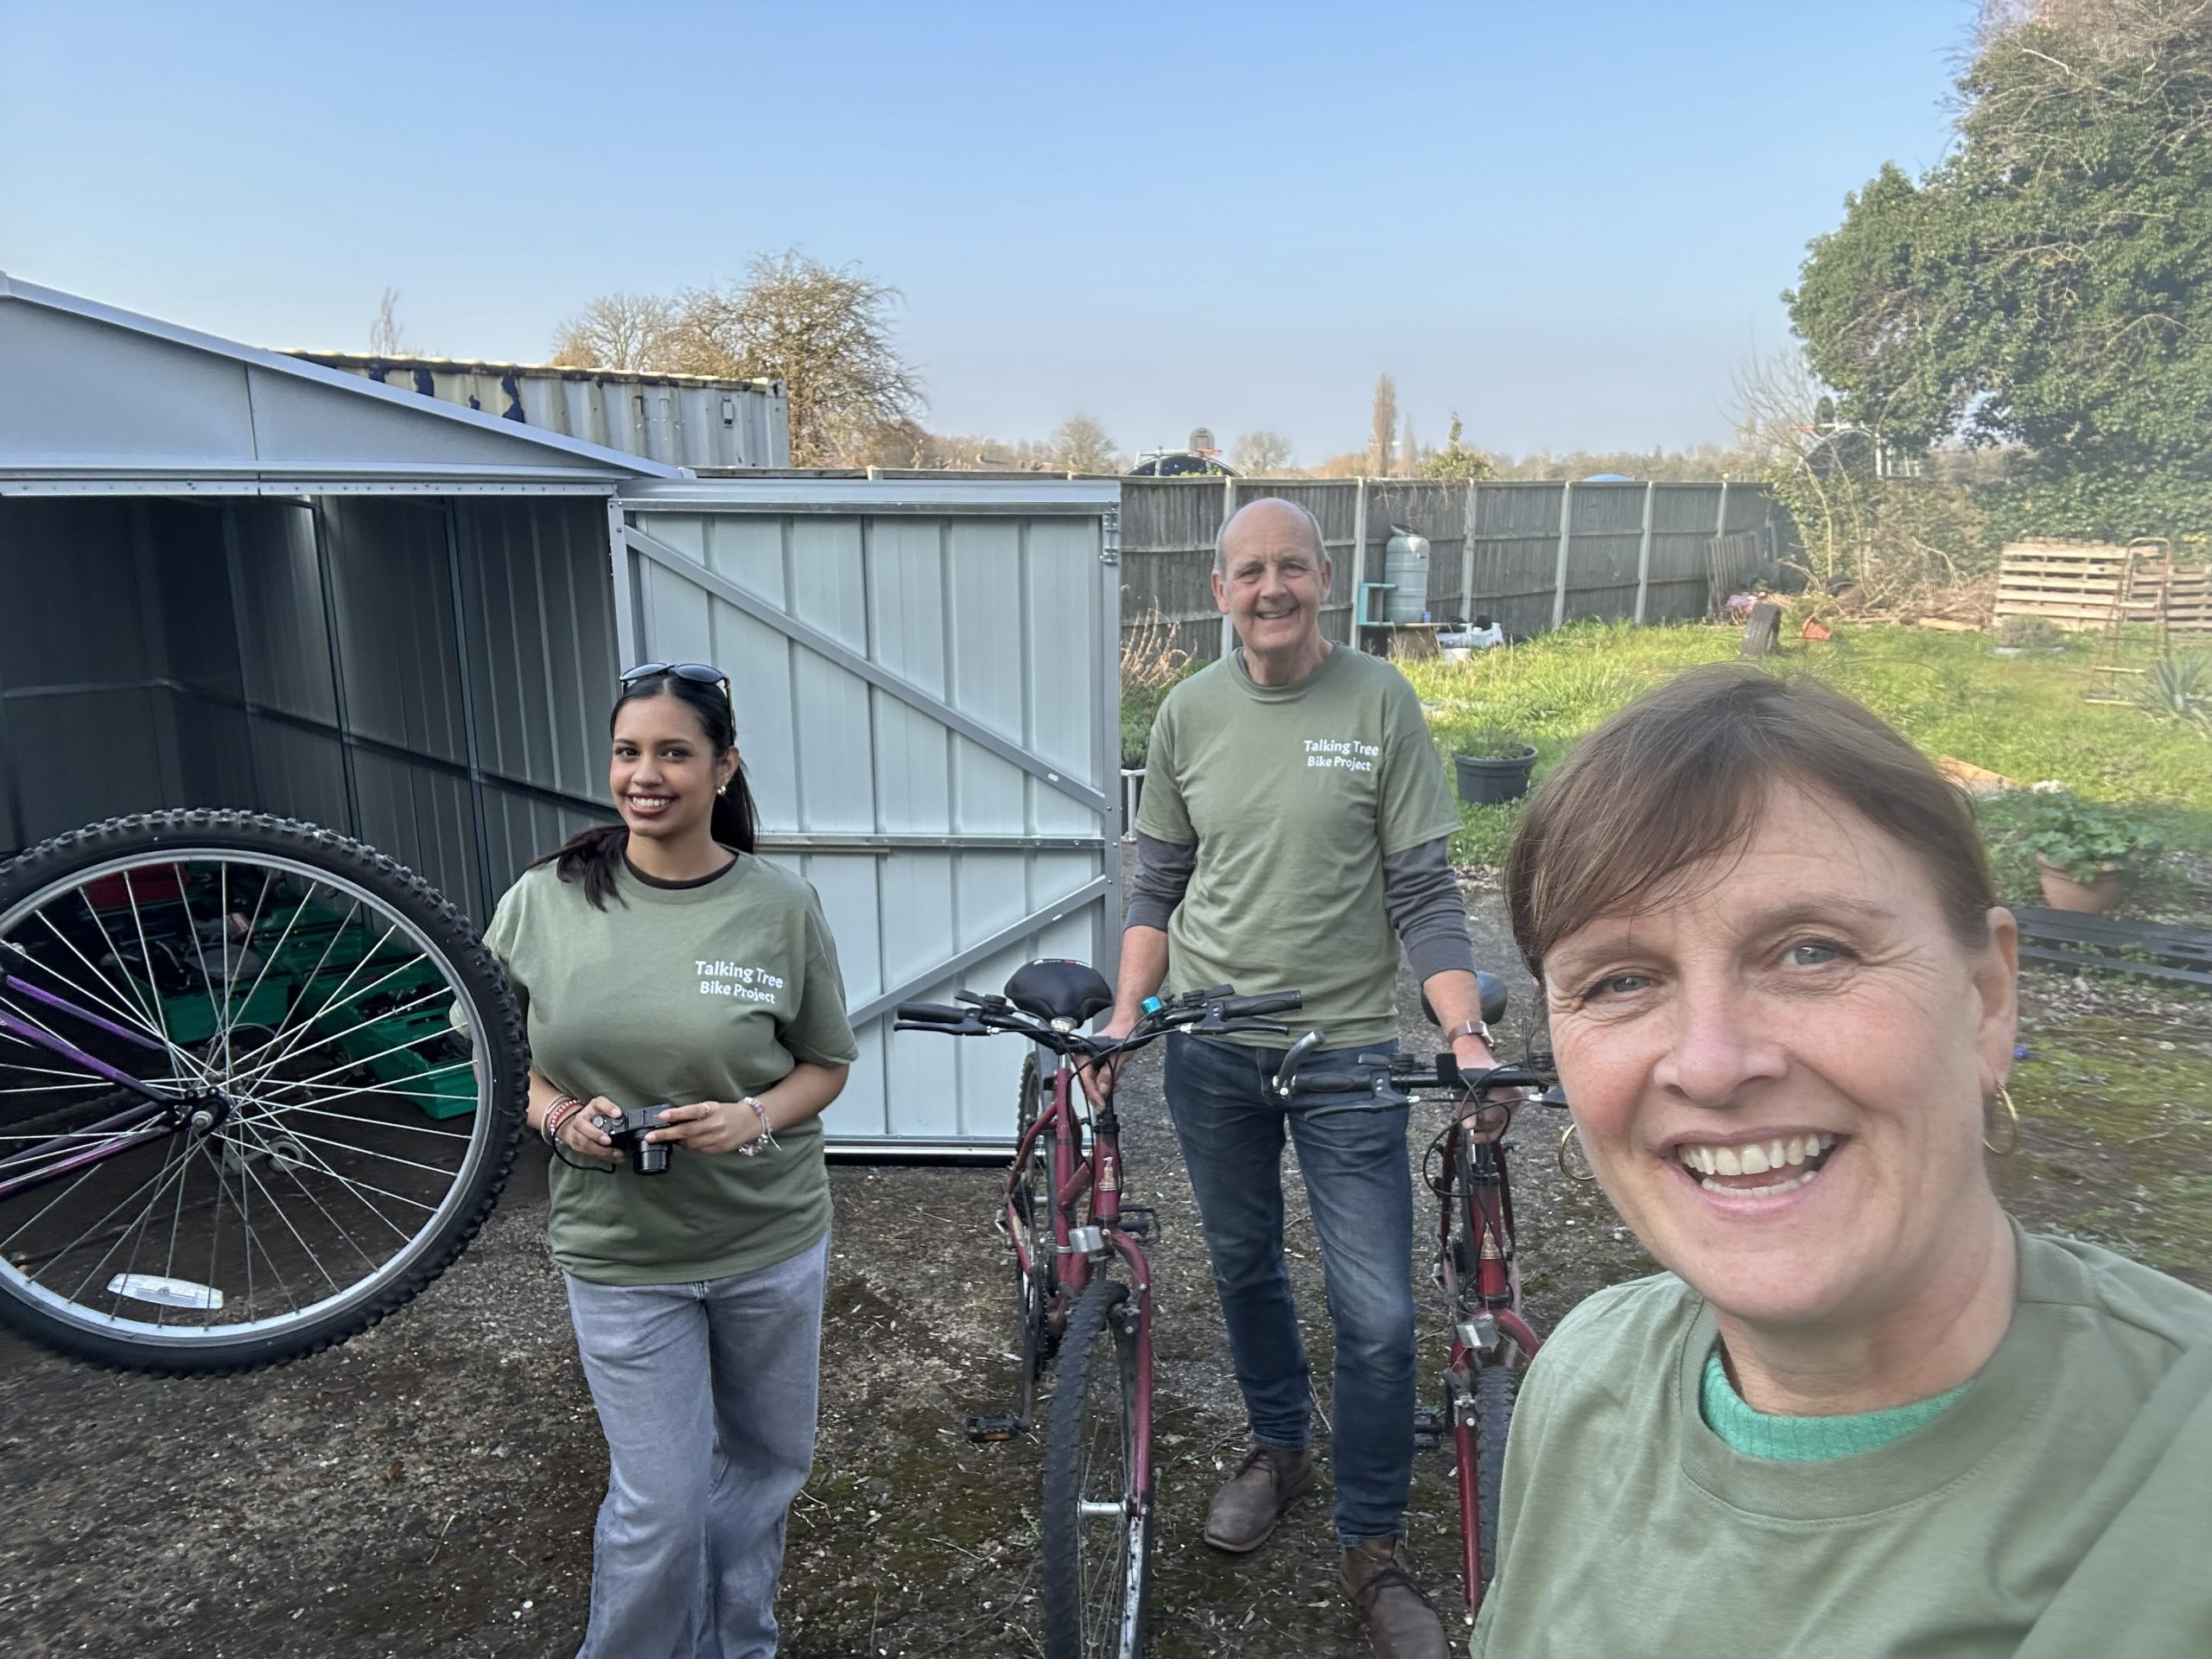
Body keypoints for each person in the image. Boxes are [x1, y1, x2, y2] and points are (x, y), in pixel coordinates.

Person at [1472, 665, 2212, 1657]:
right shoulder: (1581, 1377)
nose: (1712, 1063)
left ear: (1987, 998)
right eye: (1622, 979)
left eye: (1811, 952)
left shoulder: (2176, 1474)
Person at [1093, 498, 1497, 1659]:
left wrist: (1462, 1032)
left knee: (1377, 1312)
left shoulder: (1380, 702)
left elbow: (1424, 894)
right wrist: (1129, 1016)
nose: (1269, 589)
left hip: (1345, 1055)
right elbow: (1157, 885)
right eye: (1247, 572)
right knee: (1243, 1263)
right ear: (1218, 592)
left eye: (1290, 569)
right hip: (1213, 1049)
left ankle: (1374, 1540)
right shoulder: (1186, 712)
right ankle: (1277, 1445)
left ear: (1326, 579)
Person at [462, 663, 858, 1659]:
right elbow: (496, 1063)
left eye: (674, 753)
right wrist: (558, 1121)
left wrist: (749, 1119)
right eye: (629, 752)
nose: (646, 774)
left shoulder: (780, 906)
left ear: (724, 768)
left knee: (766, 1472)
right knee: (663, 1506)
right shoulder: (543, 902)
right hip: (622, 1254)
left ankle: (740, 1643)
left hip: (767, 1240)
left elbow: (824, 1066)